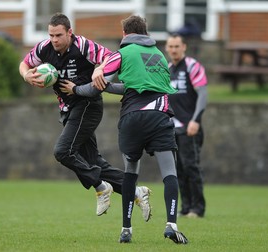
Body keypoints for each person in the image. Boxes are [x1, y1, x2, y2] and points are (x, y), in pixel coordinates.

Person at [61, 15, 188, 244]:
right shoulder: (159, 55)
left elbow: (95, 88)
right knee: (169, 172)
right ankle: (171, 224)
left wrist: (76, 89)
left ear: (124, 34)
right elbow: (141, 86)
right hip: (160, 115)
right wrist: (109, 86)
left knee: (131, 172)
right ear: (145, 33)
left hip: (132, 119)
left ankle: (126, 230)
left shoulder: (122, 54)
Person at [18, 13, 151, 221]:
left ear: (69, 33)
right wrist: (26, 74)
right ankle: (135, 191)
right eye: (51, 35)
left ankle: (100, 187)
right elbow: (24, 63)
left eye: (59, 35)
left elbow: (111, 57)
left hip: (87, 105)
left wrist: (99, 69)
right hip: (68, 109)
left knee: (62, 152)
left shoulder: (83, 46)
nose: (54, 40)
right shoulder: (43, 48)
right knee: (93, 161)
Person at [165, 32, 207, 218]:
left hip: (190, 127)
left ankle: (198, 209)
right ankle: (185, 207)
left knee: (191, 167)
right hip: (172, 127)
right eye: (170, 46)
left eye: (177, 46)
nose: (173, 50)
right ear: (166, 48)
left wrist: (195, 120)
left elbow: (203, 95)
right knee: (177, 170)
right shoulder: (166, 69)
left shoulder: (192, 66)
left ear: (184, 47)